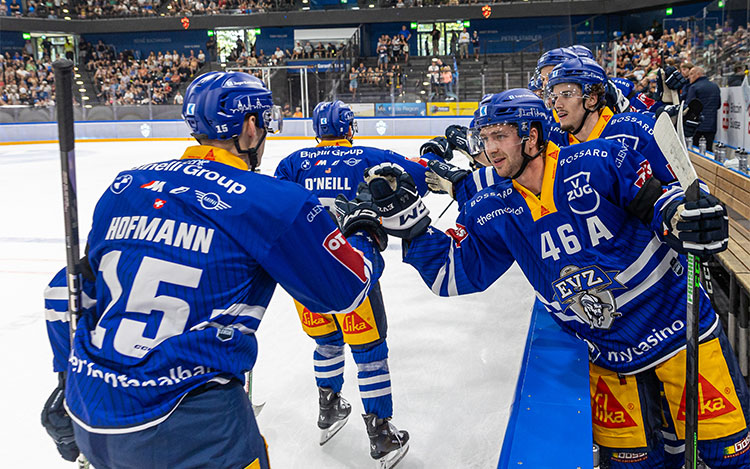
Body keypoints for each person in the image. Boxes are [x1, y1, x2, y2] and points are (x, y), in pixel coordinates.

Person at [360, 89, 745, 469]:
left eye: (500, 136)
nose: (490, 149)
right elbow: (453, 274)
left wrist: (682, 216)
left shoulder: (600, 159)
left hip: (677, 332)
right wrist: (411, 227)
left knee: (728, 457)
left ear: (531, 136)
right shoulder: (491, 206)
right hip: (607, 358)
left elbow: (658, 202)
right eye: (485, 137)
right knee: (636, 466)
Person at [40, 71, 386, 469]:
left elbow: (63, 291)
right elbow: (345, 291)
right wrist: (364, 233)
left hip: (91, 406)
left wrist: (65, 380)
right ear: (251, 126)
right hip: (192, 426)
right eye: (265, 120)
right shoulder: (273, 202)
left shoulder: (126, 185)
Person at [274, 100, 438, 468]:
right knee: (370, 356)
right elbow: (417, 177)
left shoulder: (293, 162)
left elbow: (274, 209)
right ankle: (381, 435)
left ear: (317, 129)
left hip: (305, 277)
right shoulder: (368, 154)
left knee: (326, 344)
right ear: (350, 128)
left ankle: (328, 408)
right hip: (352, 274)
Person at [547, 57, 676, 184]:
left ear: (592, 99)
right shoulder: (554, 141)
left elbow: (678, 185)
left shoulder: (633, 130)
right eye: (555, 96)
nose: (557, 104)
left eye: (567, 95)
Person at [685, 66, 721, 152]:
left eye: (691, 74)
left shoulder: (694, 87)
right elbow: (718, 105)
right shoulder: (715, 86)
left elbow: (689, 107)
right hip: (711, 126)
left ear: (698, 74)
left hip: (696, 126)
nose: (689, 76)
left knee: (694, 152)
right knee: (708, 150)